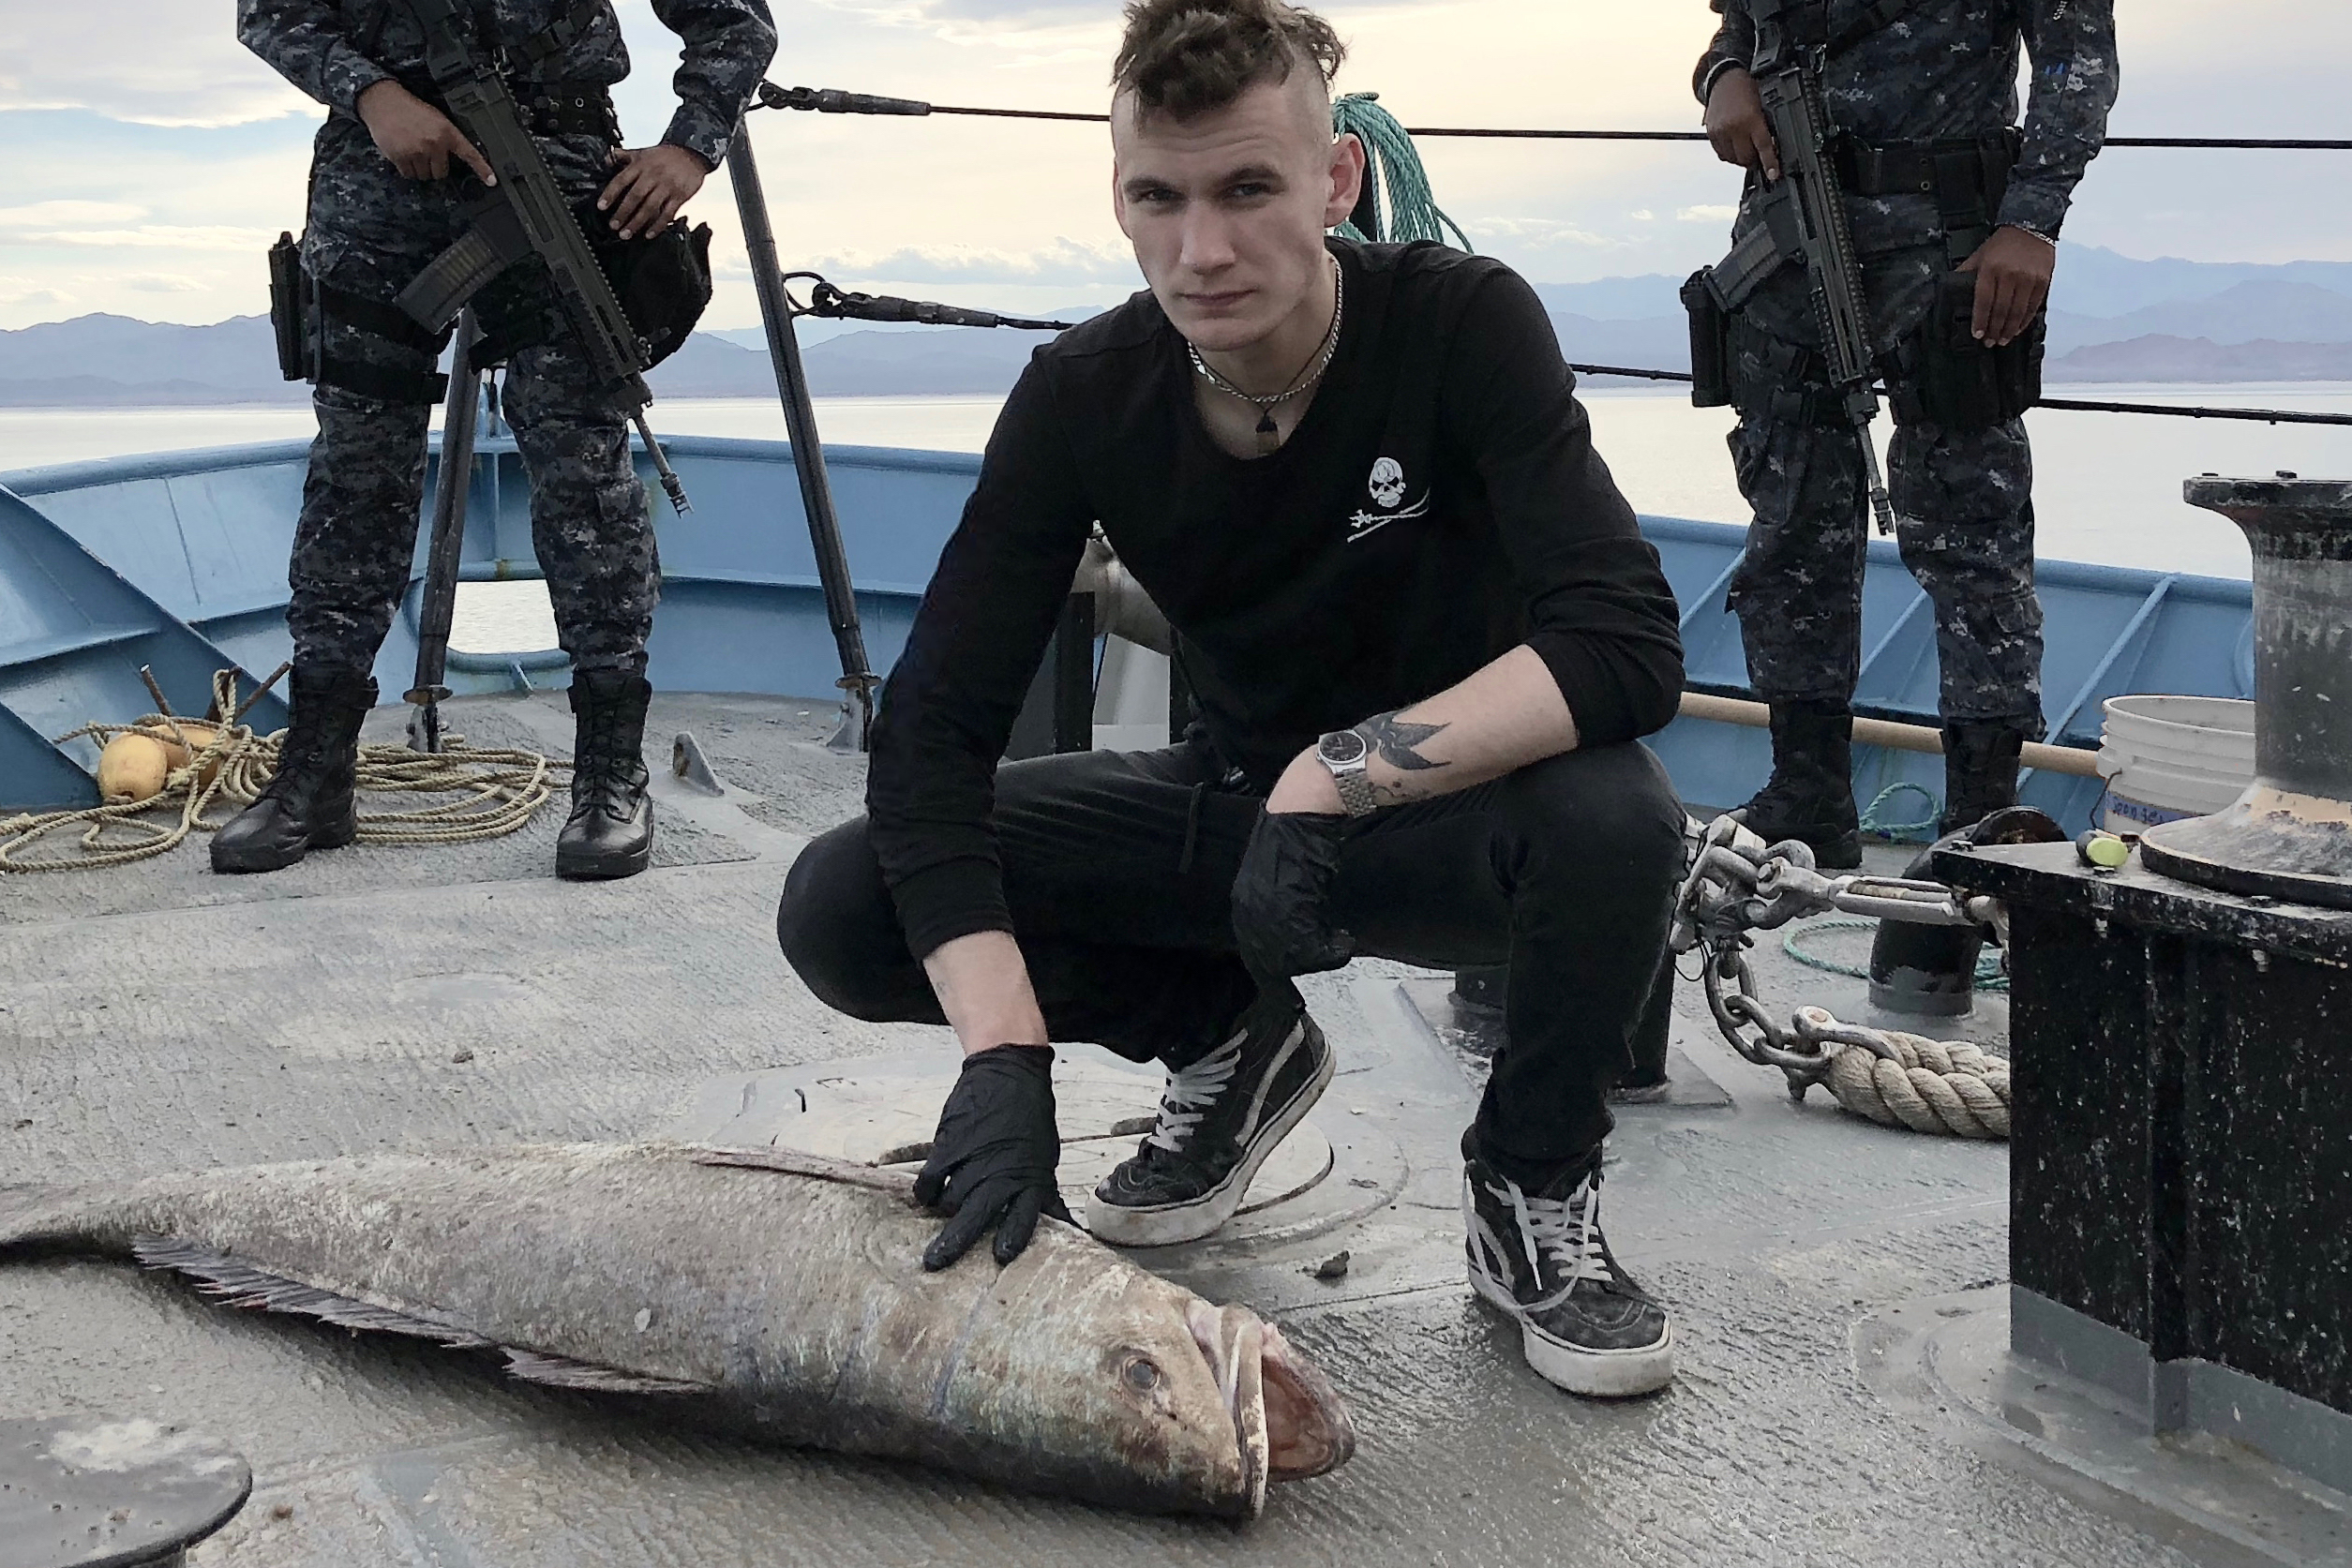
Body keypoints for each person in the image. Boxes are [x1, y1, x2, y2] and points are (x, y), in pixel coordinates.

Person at [779, 0, 1689, 1399]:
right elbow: (932, 740)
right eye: (1161, 198)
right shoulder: (1083, 394)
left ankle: (1526, 1185)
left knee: (1619, 821)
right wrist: (1004, 1057)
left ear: (1333, 182)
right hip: (1226, 812)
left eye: (1248, 189)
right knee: (842, 907)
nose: (1201, 251)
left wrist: (1336, 778)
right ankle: (1225, 1037)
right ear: (1121, 201)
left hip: (1452, 820)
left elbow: (1623, 641)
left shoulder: (1460, 323)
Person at [221, 0, 776, 878]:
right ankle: (317, 771)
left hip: (553, 172)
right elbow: (269, 13)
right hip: (377, 182)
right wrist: (371, 95)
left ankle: (607, 776)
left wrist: (688, 146)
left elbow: (735, 22)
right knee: (354, 472)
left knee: (581, 470)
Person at [1693, 0, 2117, 864]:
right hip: (1789, 238)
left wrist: (2030, 220)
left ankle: (1978, 822)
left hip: (1953, 247)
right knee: (1789, 525)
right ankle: (1806, 793)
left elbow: (2077, 65)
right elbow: (1745, 28)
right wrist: (1719, 78)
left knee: (1972, 536)